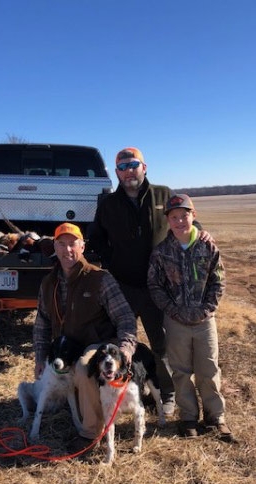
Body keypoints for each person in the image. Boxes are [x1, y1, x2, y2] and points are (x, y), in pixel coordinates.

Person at [33, 222, 137, 452]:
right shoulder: (48, 283)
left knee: (82, 366)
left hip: (97, 344)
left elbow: (126, 319)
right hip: (66, 347)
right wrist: (40, 357)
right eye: (61, 244)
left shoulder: (100, 278)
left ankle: (91, 432)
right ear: (54, 247)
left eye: (72, 244)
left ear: (82, 246)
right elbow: (42, 323)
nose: (67, 250)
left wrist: (126, 349)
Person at [88, 147, 178, 413]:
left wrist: (200, 234)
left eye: (133, 165)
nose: (129, 171)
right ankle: (117, 388)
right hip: (123, 286)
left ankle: (166, 392)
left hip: (156, 287)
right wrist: (112, 261)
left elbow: (183, 222)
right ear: (117, 172)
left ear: (144, 167)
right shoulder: (107, 204)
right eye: (123, 167)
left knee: (161, 344)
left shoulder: (163, 194)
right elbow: (96, 237)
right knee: (119, 342)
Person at [147, 193, 234, 441]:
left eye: (184, 216)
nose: (179, 221)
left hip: (205, 321)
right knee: (181, 371)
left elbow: (219, 281)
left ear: (193, 216)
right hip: (175, 322)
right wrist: (173, 311)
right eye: (174, 217)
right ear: (168, 221)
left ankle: (216, 418)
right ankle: (188, 418)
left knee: (208, 369)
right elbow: (155, 286)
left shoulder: (208, 246)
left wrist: (206, 309)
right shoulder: (162, 252)